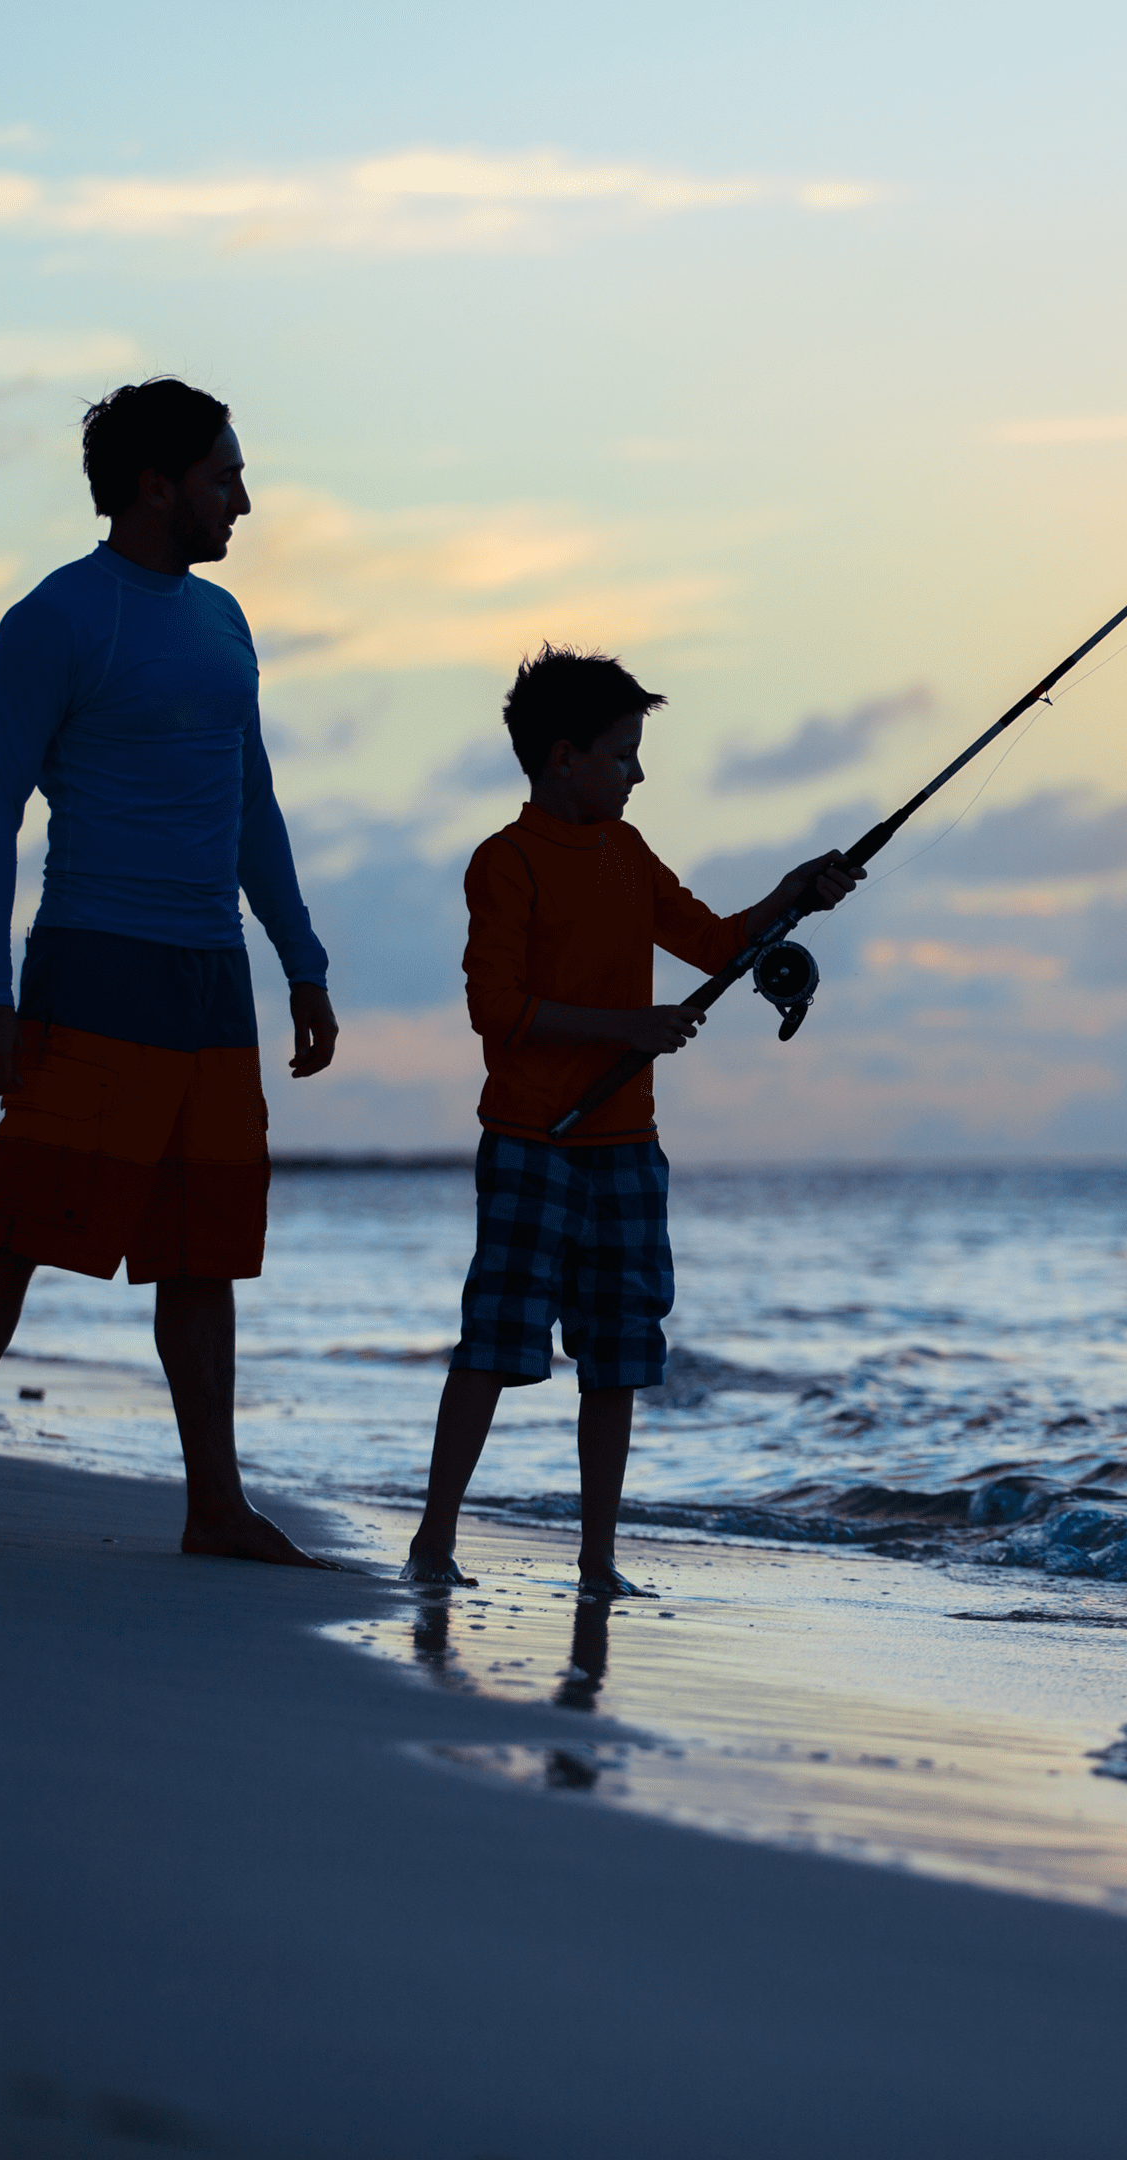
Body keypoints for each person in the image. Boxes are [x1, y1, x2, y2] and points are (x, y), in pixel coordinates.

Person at [0, 378, 341, 1564]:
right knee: (20, 1225)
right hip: (93, 964)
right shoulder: (59, 620)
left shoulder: (226, 621)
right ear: (156, 484)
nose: (244, 498)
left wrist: (301, 957)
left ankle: (214, 1505)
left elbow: (253, 802)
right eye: (225, 476)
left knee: (205, 1244)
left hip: (211, 979)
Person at [403, 647, 855, 1595]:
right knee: (495, 1340)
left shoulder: (631, 854)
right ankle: (433, 1541)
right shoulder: (505, 863)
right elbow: (499, 1010)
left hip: (627, 1150)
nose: (638, 773)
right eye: (623, 754)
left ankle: (598, 1561)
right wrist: (630, 1028)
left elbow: (719, 943)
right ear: (562, 756)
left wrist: (794, 890)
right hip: (533, 1141)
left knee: (616, 1359)